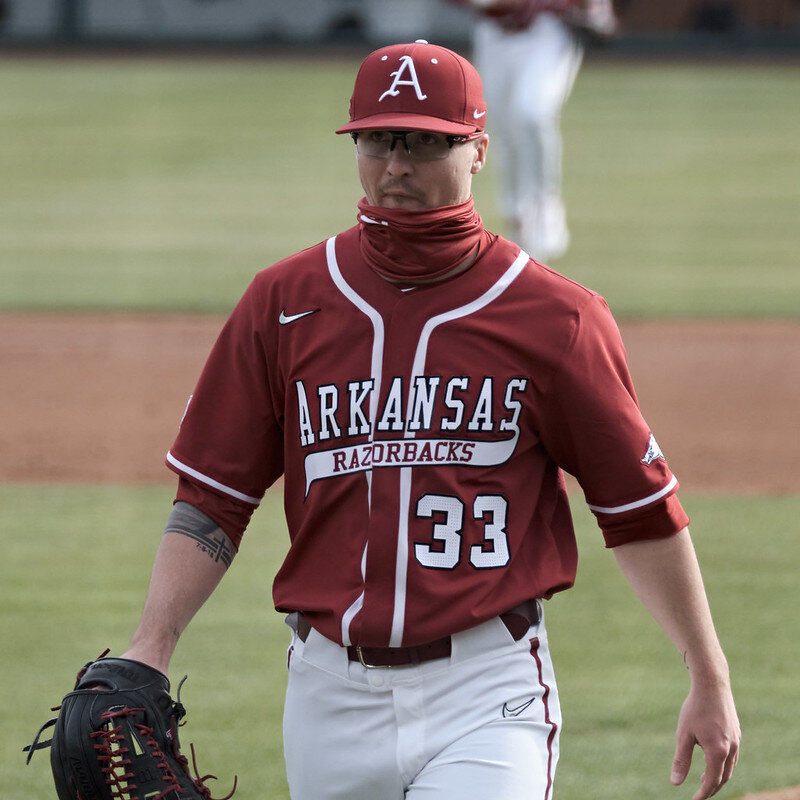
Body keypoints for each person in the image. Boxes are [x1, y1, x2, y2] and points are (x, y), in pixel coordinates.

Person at [118, 40, 739, 799]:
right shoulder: (284, 303)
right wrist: (152, 644)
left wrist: (707, 672)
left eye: (425, 141)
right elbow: (213, 498)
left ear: (477, 149)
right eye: (378, 139)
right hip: (326, 693)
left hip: (487, 688)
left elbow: (638, 511)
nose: (396, 165)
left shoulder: (556, 318)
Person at [446, 0, 617, 261]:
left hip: (546, 29)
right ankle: (517, 217)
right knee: (503, 133)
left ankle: (544, 204)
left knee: (531, 113)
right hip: (494, 30)